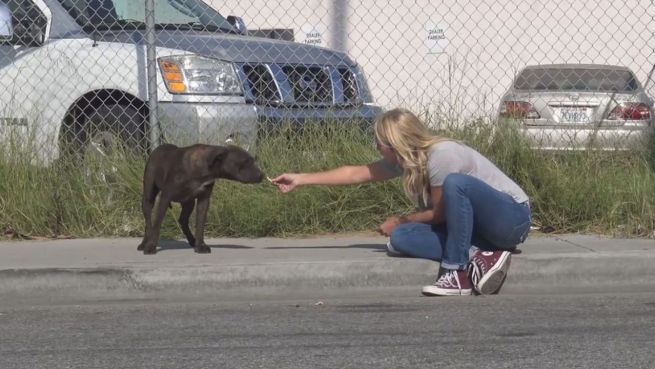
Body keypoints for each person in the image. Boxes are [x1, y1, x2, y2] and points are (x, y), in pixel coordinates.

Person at [271, 108, 531, 296]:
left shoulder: (442, 155)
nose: (376, 148)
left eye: (380, 143)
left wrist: (401, 219)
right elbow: (355, 173)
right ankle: (481, 254)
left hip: (511, 220)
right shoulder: (408, 161)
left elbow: (439, 214)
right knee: (400, 238)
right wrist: (300, 179)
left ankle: (457, 273)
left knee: (455, 184)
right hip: (478, 232)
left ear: (396, 145)